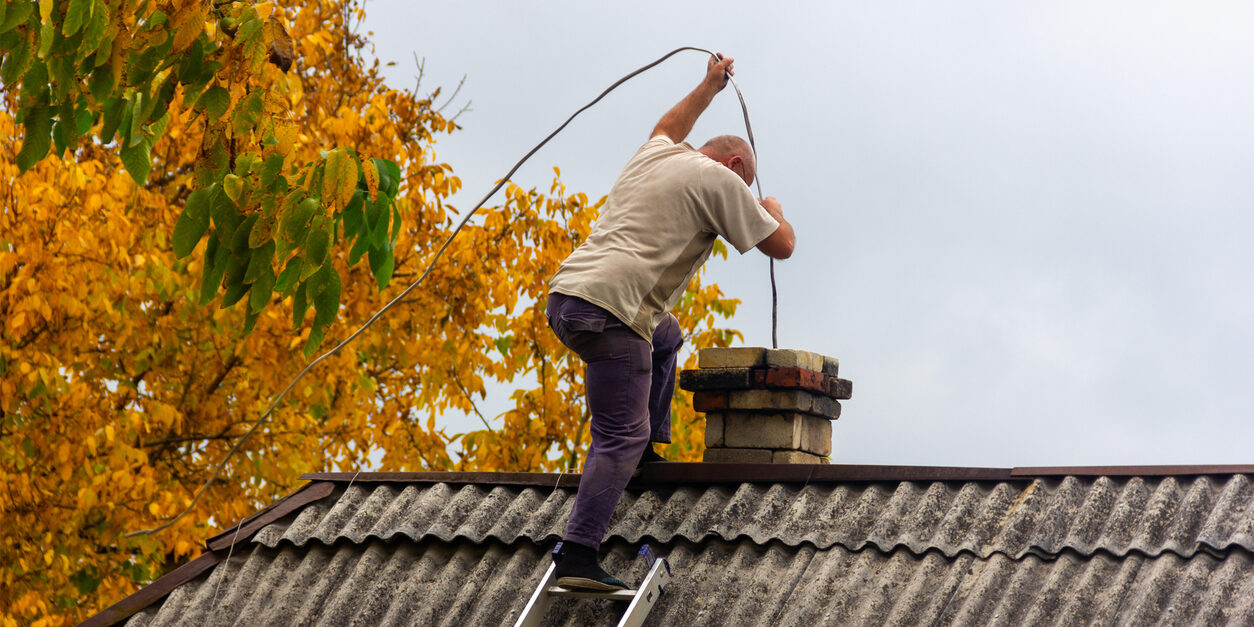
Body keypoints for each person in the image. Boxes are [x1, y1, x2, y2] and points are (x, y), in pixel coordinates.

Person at [545, 53, 795, 591]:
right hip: (614, 313)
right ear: (735, 167)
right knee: (619, 433)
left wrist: (708, 86)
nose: (744, 191)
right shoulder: (721, 180)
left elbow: (667, 124)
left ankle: (643, 451)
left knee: (667, 333)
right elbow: (783, 245)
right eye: (746, 182)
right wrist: (771, 207)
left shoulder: (658, 152)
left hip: (568, 297)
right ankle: (579, 555)